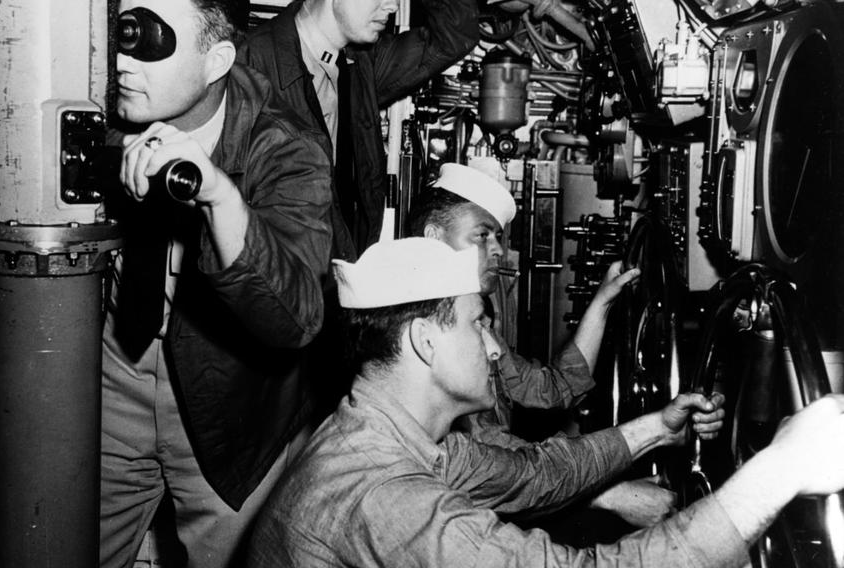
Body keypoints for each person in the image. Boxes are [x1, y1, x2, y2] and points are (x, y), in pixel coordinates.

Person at [247, 236, 844, 567]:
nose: (494, 346)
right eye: (479, 324)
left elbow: (537, 475)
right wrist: (781, 468)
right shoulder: (386, 499)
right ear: (426, 343)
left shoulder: (391, 435)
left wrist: (655, 429)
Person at [100, 0, 332, 566]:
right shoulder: (92, 105)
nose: (125, 61)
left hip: (232, 406)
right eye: (121, 34)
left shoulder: (286, 145)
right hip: (109, 382)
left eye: (152, 40)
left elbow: (295, 318)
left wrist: (222, 196)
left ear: (216, 59)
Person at [408, 162, 676, 528]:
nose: (499, 251)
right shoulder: (420, 337)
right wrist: (608, 493)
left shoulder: (478, 323)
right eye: (483, 236)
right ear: (433, 238)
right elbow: (483, 463)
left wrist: (603, 302)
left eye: (498, 238)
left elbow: (550, 389)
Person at [236, 0, 480, 259]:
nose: (392, 6)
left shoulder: (360, 63)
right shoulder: (248, 65)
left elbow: (455, 33)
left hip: (338, 276)